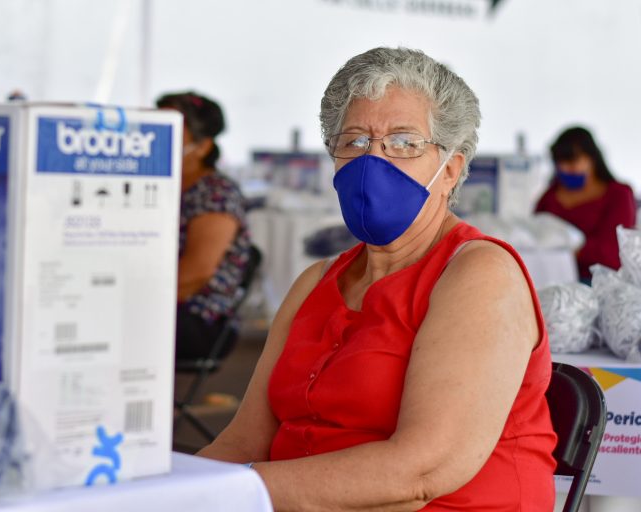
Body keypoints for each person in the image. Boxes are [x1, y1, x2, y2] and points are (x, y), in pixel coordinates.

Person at [198, 47, 557, 511]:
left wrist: (236, 492)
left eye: (404, 142)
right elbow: (243, 443)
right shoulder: (316, 282)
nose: (374, 160)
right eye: (355, 142)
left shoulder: (478, 275)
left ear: (450, 169)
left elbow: (421, 471)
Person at [156, 91, 251, 360]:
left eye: (171, 132)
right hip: (165, 305)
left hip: (199, 317)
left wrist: (133, 303)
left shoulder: (216, 193)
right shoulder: (159, 187)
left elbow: (195, 274)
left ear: (203, 146)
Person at [535, 126, 636, 283]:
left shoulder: (618, 194)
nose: (567, 168)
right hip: (550, 278)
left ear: (592, 159)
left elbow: (613, 254)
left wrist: (573, 249)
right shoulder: (549, 197)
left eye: (573, 161)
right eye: (561, 163)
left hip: (599, 283)